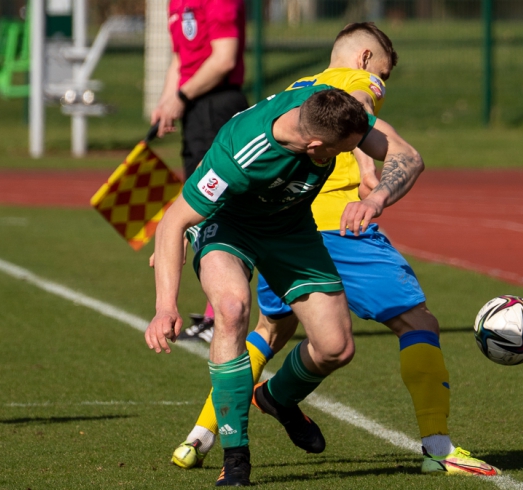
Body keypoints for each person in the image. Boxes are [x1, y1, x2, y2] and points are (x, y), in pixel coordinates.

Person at [169, 22, 500, 477]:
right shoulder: (356, 82)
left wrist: (176, 237)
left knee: (270, 327)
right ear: (365, 59)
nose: (380, 86)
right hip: (335, 226)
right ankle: (438, 447)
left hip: (283, 223)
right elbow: (364, 111)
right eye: (382, 74)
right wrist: (371, 180)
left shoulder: (300, 90)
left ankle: (201, 436)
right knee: (416, 320)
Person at [145, 86, 424, 486]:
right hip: (228, 226)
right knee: (232, 308)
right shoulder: (240, 156)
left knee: (336, 347)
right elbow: (173, 221)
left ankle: (276, 397)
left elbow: (408, 156)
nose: (349, 154)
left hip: (289, 228)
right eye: (341, 151)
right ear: (313, 145)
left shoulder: (332, 110)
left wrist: (375, 199)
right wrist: (165, 307)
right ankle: (236, 455)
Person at [150, 0, 249, 341]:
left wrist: (181, 95)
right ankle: (217, 311)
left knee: (216, 207)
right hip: (195, 108)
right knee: (202, 204)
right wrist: (167, 103)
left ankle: (219, 313)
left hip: (218, 105)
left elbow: (223, 58)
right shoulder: (176, 3)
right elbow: (181, 58)